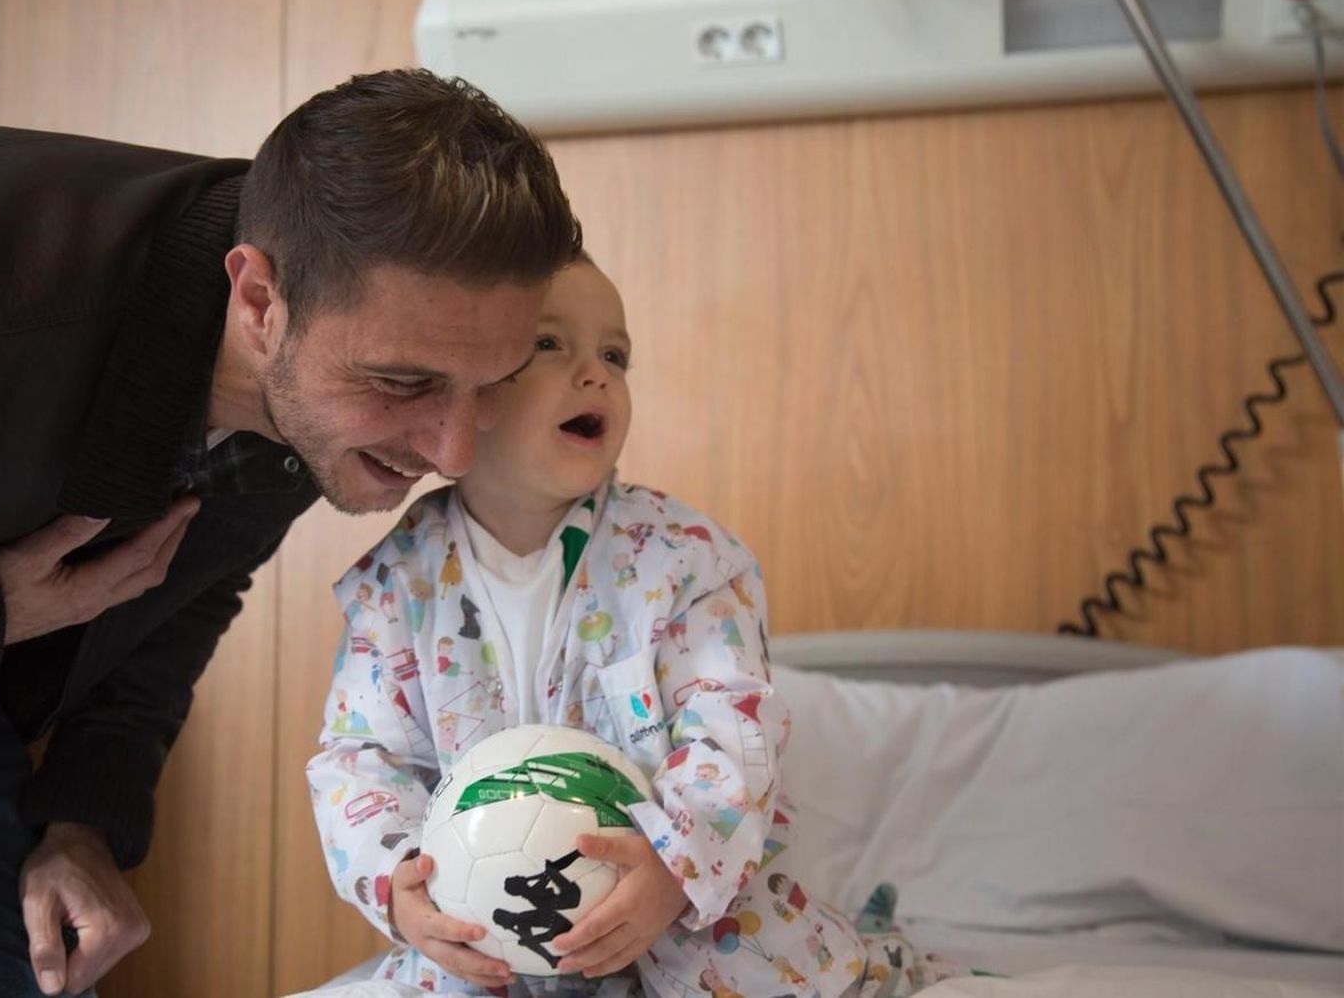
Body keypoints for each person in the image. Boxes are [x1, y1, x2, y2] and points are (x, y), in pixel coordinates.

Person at [0, 68, 581, 997]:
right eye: (403, 383)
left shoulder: (313, 381)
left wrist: (83, 820)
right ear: (259, 300)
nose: (455, 453)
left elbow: (172, 592)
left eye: (493, 381)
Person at [308, 259, 968, 997]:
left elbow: (732, 731)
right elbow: (361, 762)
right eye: (551, 345)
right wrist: (398, 883)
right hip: (486, 927)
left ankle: (870, 951)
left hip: (679, 914)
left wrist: (676, 865)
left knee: (761, 974)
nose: (596, 374)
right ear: (460, 382)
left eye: (615, 355)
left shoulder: (684, 561)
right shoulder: (397, 586)